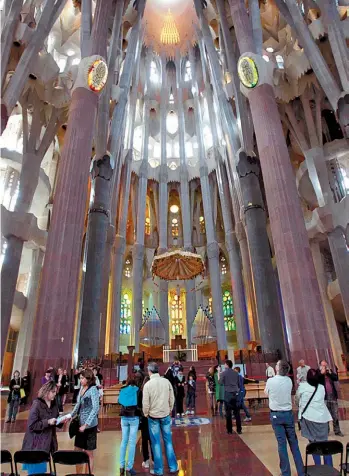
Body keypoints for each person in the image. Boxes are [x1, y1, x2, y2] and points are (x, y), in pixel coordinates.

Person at [265, 360, 304, 476]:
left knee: (281, 444)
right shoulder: (288, 381)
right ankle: (301, 471)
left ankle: (286, 472)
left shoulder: (270, 381)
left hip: (276, 415)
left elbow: (266, 393)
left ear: (278, 369)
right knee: (294, 443)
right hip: (288, 414)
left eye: (276, 364)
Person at [143, 362, 178, 476]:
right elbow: (172, 398)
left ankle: (159, 470)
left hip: (153, 417)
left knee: (156, 443)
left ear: (149, 371)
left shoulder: (148, 385)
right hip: (165, 414)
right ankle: (173, 467)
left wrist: (146, 413)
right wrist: (169, 409)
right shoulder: (166, 381)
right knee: (168, 442)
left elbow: (146, 403)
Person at [21, 381, 62, 475]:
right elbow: (32, 425)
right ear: (46, 391)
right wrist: (47, 422)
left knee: (41, 471)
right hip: (35, 444)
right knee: (35, 472)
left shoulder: (54, 404)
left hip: (47, 444)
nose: (54, 394)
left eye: (55, 392)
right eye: (53, 392)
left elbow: (54, 420)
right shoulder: (37, 404)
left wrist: (60, 421)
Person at [296, 368, 333, 467]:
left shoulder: (302, 387)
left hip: (309, 418)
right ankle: (329, 468)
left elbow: (297, 400)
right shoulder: (321, 387)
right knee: (325, 444)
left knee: (314, 444)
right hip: (322, 418)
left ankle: (318, 468)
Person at [71, 368, 100, 474]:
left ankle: (88, 474)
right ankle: (78, 474)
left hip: (90, 426)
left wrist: (86, 424)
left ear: (88, 378)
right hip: (80, 424)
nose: (80, 380)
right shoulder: (81, 388)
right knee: (77, 451)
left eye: (82, 378)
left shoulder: (93, 389)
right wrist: (70, 415)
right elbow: (78, 405)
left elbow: (95, 408)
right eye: (80, 378)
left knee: (89, 453)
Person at [118, 377, 140, 476]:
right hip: (134, 417)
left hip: (124, 417)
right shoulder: (137, 390)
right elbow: (140, 403)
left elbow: (119, 401)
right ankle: (129, 467)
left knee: (123, 441)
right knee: (132, 443)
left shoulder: (122, 390)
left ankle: (121, 466)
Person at [317, 359, 343, 437]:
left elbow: (336, 378)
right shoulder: (318, 373)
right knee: (325, 416)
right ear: (320, 366)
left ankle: (337, 431)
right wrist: (322, 373)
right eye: (323, 365)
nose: (324, 367)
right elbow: (316, 380)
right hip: (324, 398)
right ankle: (326, 431)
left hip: (333, 397)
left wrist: (329, 373)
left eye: (325, 365)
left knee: (335, 415)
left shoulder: (330, 372)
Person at [218, 360, 241, 434]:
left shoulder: (224, 373)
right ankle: (239, 429)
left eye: (224, 364)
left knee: (228, 413)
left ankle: (229, 430)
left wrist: (219, 373)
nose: (224, 366)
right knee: (237, 413)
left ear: (227, 365)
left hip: (228, 394)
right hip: (235, 394)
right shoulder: (236, 373)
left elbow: (220, 383)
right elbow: (237, 383)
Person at [138, 376, 154, 470]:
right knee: (152, 439)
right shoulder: (152, 391)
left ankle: (146, 460)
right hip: (152, 417)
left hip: (144, 417)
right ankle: (154, 459)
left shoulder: (141, 392)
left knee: (145, 439)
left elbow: (138, 406)